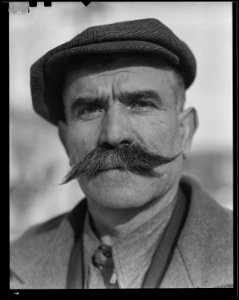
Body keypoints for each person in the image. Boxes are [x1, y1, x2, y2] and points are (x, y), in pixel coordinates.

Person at [10, 18, 233, 289]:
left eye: (141, 104)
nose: (114, 135)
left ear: (185, 132)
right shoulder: (17, 265)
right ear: (66, 142)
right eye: (90, 109)